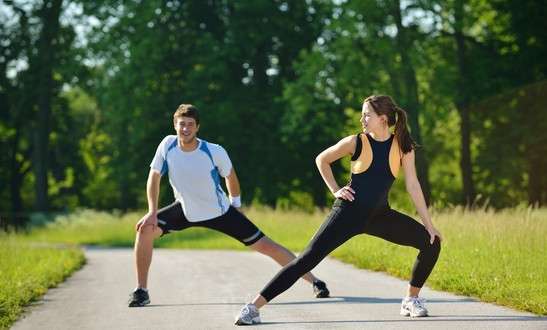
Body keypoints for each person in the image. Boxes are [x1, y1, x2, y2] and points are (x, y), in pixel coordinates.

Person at [235, 95, 442, 325]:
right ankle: (253, 307)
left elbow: (413, 186)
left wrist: (429, 225)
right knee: (305, 261)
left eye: (367, 114)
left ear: (382, 119)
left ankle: (411, 300)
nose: (362, 118)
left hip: (380, 216)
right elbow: (322, 160)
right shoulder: (356, 142)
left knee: (431, 242)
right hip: (347, 214)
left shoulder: (403, 147)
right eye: (363, 114)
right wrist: (335, 189)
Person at [128, 104, 330, 307]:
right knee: (145, 230)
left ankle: (315, 281)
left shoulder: (213, 151)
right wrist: (152, 212)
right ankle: (141, 291)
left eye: (190, 125)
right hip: (185, 209)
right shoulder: (167, 145)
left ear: (197, 127)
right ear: (175, 125)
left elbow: (230, 176)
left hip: (220, 212)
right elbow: (153, 178)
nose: (185, 129)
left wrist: (236, 205)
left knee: (268, 247)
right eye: (182, 124)